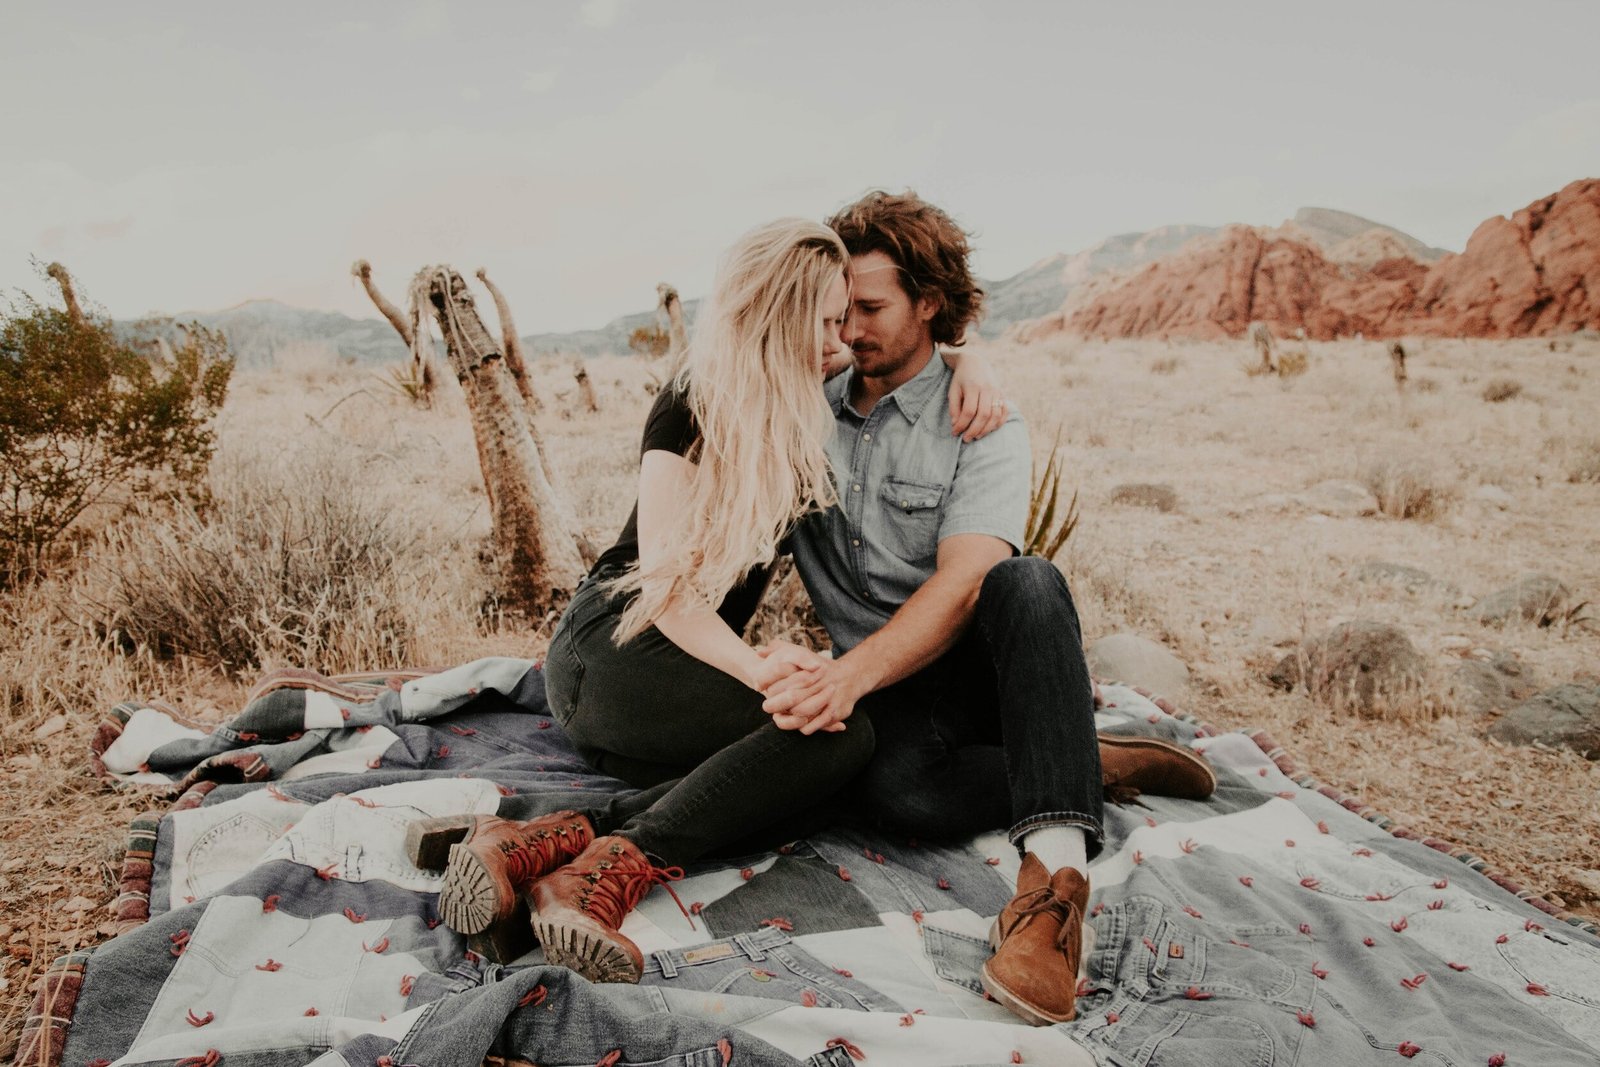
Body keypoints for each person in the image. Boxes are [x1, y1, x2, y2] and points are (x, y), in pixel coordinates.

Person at [412, 217, 1005, 984]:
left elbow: (908, 353)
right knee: (837, 737)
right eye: (827, 320)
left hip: (679, 685)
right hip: (616, 650)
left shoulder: (805, 399)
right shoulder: (693, 403)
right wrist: (762, 670)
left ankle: (538, 843)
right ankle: (586, 870)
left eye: (848, 318)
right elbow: (668, 592)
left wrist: (968, 356)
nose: (842, 338)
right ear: (785, 317)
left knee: (808, 776)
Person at [760, 191, 1216, 1026]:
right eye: (839, 311)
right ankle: (1087, 762)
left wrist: (845, 677)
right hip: (893, 688)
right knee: (900, 800)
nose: (849, 330)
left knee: (1025, 578)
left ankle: (1049, 899)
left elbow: (965, 584)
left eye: (870, 308)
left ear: (928, 304)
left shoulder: (983, 421)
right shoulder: (802, 408)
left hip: (973, 668)